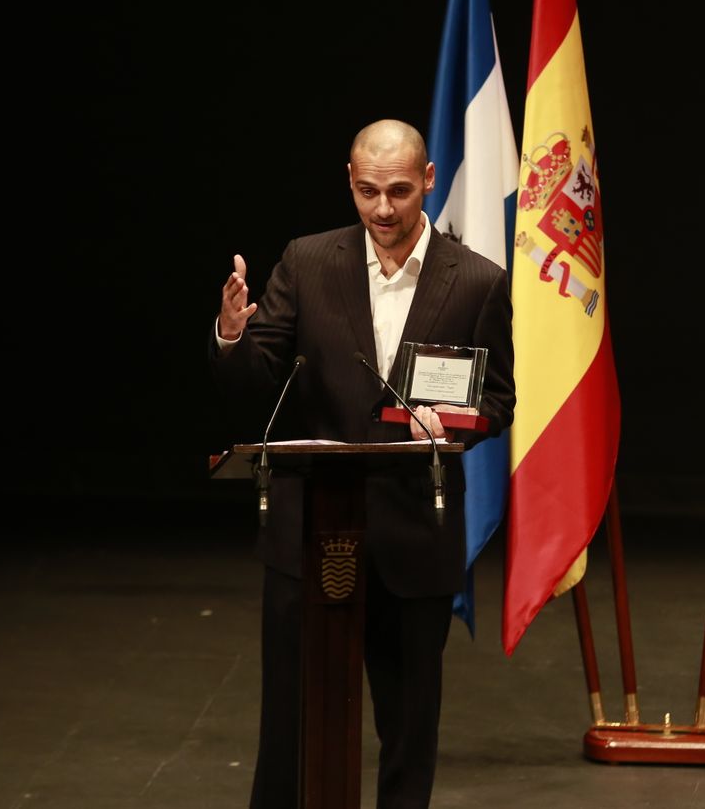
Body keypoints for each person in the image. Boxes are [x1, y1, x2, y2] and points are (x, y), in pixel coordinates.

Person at [209, 119, 515, 809]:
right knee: (290, 722)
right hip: (312, 533)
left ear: (428, 181)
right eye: (370, 191)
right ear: (350, 180)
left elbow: (498, 399)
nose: (384, 209)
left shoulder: (477, 281)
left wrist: (456, 425)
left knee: (408, 731)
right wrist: (232, 336)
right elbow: (259, 376)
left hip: (414, 536)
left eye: (400, 191)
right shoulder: (308, 261)